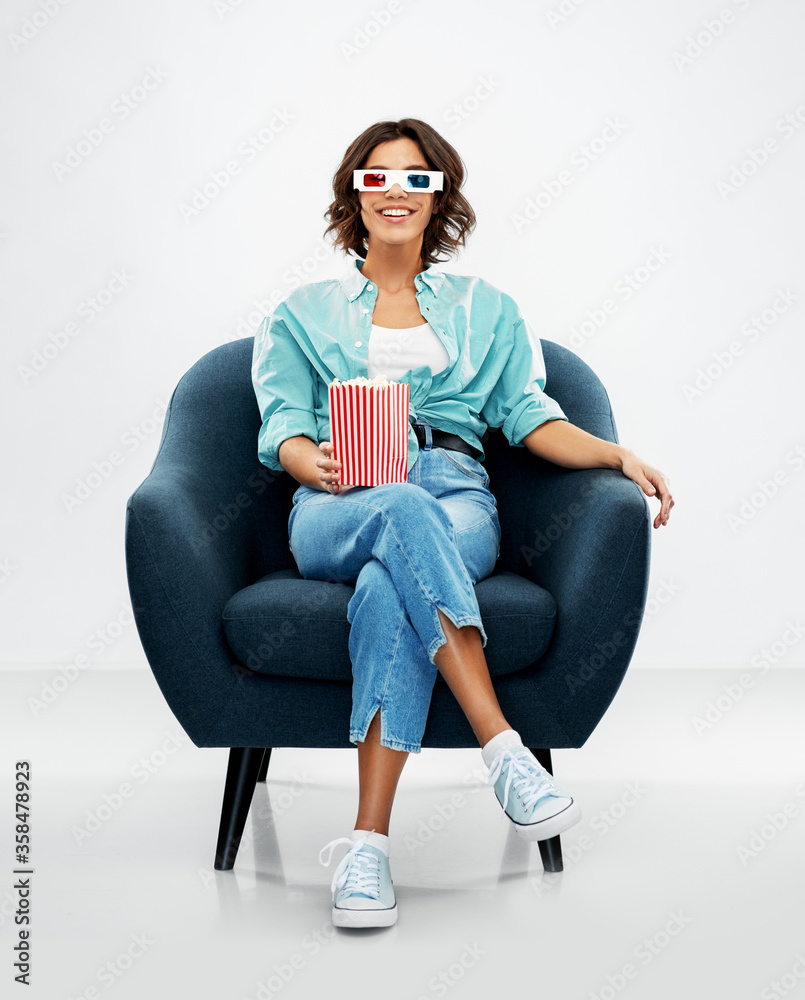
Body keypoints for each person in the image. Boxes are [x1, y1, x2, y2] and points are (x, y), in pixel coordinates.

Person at [251, 118, 674, 930]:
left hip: (454, 491)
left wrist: (614, 454)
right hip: (339, 500)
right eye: (378, 177)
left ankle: (367, 851)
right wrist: (313, 463)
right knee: (394, 515)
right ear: (354, 192)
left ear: (439, 195)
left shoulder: (487, 308)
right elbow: (280, 425)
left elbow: (524, 413)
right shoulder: (300, 313)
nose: (396, 193)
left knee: (387, 586)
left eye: (417, 178)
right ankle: (503, 751)